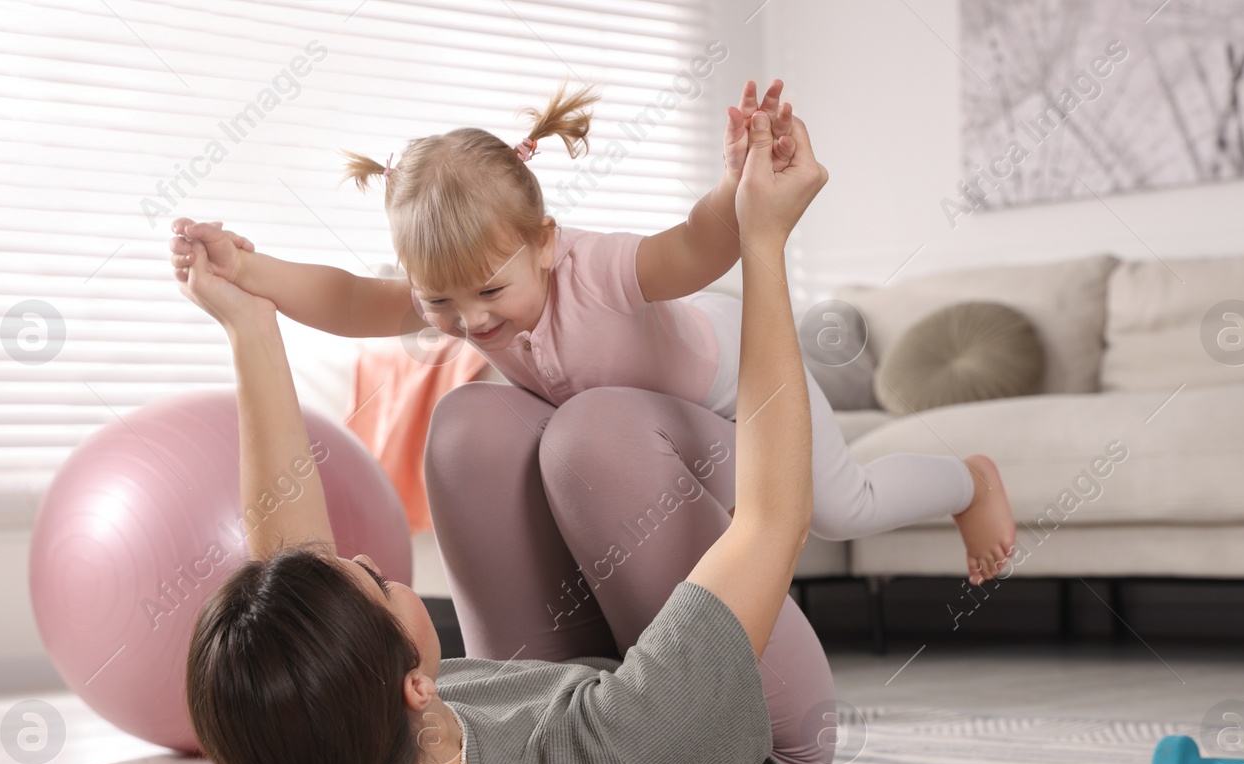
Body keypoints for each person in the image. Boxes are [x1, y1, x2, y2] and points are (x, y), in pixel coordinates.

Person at [175, 107, 836, 764]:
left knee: (467, 426)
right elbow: (771, 518)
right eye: (375, 583)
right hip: (755, 757)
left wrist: (248, 319)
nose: (370, 560)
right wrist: (764, 243)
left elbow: (283, 560)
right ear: (414, 686)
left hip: (563, 688)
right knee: (595, 436)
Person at [168, 80, 1015, 584]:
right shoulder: (463, 297)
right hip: (651, 427)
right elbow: (354, 299)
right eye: (441, 303)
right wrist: (251, 271)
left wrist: (737, 189)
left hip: (732, 372)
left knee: (839, 506)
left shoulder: (593, 269)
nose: (471, 322)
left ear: (543, 242)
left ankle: (967, 482)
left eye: (490, 291)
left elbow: (692, 250)